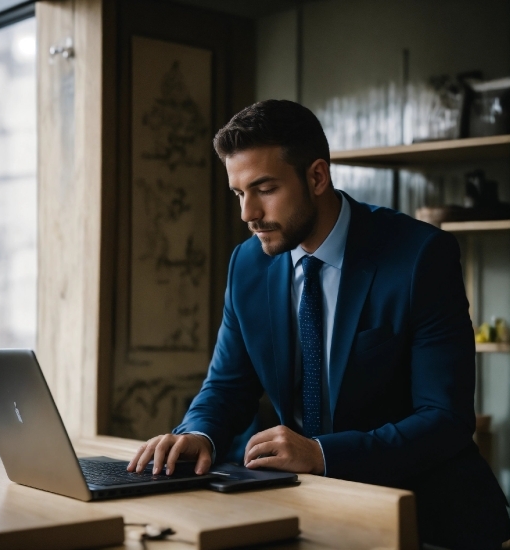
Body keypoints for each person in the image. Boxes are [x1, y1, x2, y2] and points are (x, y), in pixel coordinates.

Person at [128, 100, 510, 548]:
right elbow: (228, 386)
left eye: (264, 189)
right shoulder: (248, 264)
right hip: (304, 509)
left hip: (428, 515)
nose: (247, 213)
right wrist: (198, 433)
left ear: (316, 176)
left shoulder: (420, 256)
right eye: (238, 193)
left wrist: (321, 454)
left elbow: (445, 419)